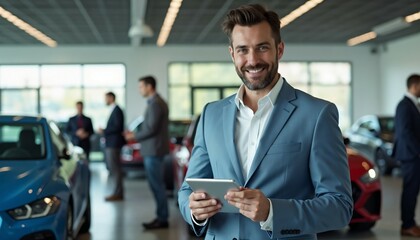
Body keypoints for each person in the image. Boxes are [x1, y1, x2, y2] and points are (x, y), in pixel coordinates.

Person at [177, 4, 353, 239]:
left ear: (279, 49)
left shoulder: (317, 114)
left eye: (262, 48)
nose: (252, 60)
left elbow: (340, 207)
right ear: (232, 54)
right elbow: (188, 190)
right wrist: (195, 210)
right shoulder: (211, 115)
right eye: (243, 50)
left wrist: (273, 212)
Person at [124, 76, 170, 229]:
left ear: (149, 86)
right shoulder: (155, 102)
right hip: (153, 150)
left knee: (157, 185)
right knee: (156, 184)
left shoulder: (156, 104)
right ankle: (161, 216)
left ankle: (162, 218)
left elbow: (151, 129)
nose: (140, 90)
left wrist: (134, 136)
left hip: (154, 151)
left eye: (141, 87)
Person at [393, 74, 420, 237]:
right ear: (415, 85)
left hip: (413, 155)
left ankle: (410, 222)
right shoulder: (404, 105)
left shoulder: (412, 104)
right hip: (411, 156)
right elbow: (405, 133)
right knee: (410, 190)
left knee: (413, 190)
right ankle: (407, 224)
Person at [98, 92, 126, 201]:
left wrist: (104, 130)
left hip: (114, 144)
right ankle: (117, 192)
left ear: (111, 98)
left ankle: (118, 193)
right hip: (111, 143)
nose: (105, 100)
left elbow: (118, 127)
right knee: (114, 168)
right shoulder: (114, 109)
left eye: (106, 98)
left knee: (115, 168)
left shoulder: (117, 110)